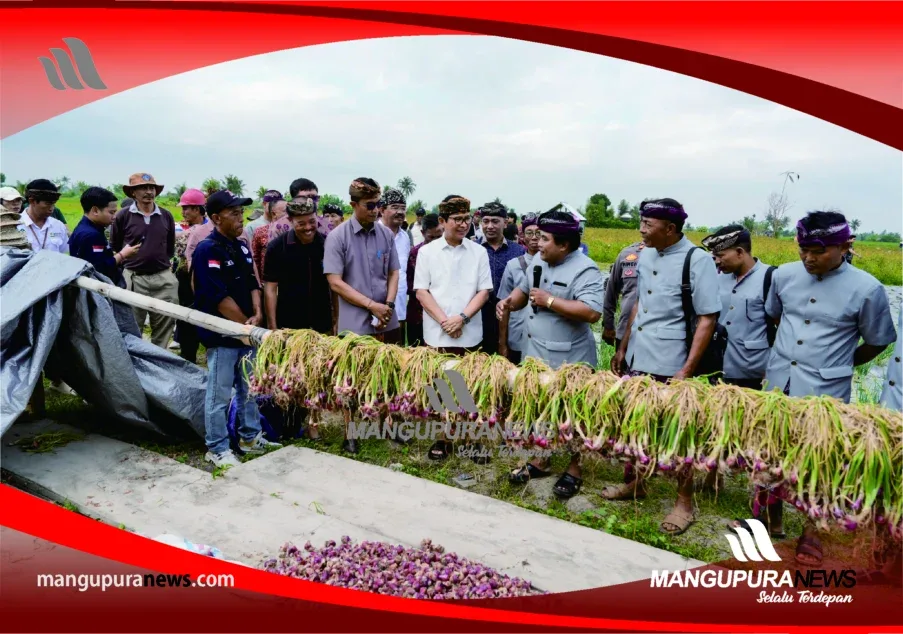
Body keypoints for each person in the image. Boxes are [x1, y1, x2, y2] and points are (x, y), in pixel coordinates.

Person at [763, 210, 895, 566]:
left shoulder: (867, 288)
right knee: (770, 450)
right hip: (778, 381)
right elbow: (775, 315)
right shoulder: (783, 275)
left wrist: (841, 362)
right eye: (803, 249)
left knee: (819, 460)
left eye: (818, 251)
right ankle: (769, 519)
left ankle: (812, 532)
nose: (809, 258)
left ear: (845, 246)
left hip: (826, 390)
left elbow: (878, 340)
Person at [609, 198, 721, 537]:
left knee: (678, 430)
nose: (641, 229)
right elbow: (639, 303)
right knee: (635, 421)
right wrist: (624, 346)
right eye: (641, 222)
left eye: (648, 224)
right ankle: (637, 482)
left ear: (670, 229)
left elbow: (707, 318)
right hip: (639, 355)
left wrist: (686, 370)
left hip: (672, 359)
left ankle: (684, 502)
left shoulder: (696, 260)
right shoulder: (645, 255)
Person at [496, 210, 605, 497]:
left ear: (564, 245)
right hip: (535, 353)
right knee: (539, 408)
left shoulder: (586, 269)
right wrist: (508, 303)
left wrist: (551, 300)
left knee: (573, 414)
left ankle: (574, 468)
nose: (537, 243)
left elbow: (592, 312)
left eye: (544, 239)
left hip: (570, 360)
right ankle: (541, 459)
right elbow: (523, 292)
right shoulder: (539, 260)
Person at [191, 190, 281, 468]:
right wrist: (244, 324)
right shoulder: (207, 250)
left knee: (249, 388)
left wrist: (257, 313)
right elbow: (217, 297)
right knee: (219, 394)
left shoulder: (241, 246)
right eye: (234, 213)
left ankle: (250, 438)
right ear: (216, 218)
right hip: (223, 336)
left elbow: (253, 283)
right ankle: (217, 447)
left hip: (247, 333)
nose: (240, 218)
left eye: (241, 212)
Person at [414, 195, 493, 462]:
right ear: (442, 221)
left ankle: (472, 438)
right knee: (440, 385)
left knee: (470, 385)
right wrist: (445, 322)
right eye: (457, 219)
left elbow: (484, 291)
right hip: (437, 333)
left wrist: (461, 318)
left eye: (466, 219)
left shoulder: (478, 252)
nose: (463, 224)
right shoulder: (427, 252)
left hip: (469, 332)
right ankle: (444, 437)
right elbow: (421, 292)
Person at [324, 177, 400, 454]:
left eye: (378, 204)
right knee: (351, 377)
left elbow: (393, 272)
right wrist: (371, 305)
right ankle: (350, 433)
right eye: (369, 205)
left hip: (384, 316)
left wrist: (387, 305)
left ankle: (387, 424)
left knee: (386, 373)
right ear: (353, 204)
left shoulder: (385, 235)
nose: (376, 210)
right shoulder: (338, 237)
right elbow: (335, 282)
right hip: (354, 320)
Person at [263, 198, 335, 441]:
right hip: (290, 321)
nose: (308, 227)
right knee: (292, 373)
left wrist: (335, 320)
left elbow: (334, 286)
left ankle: (314, 423)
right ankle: (289, 422)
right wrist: (273, 327)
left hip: (320, 320)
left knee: (317, 373)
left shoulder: (326, 244)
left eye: (311, 222)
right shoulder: (278, 247)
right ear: (291, 221)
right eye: (301, 223)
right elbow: (270, 288)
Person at [701, 225, 774, 389]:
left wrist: (773, 370)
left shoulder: (770, 277)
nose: (717, 261)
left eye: (720, 256)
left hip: (755, 371)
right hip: (718, 369)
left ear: (740, 252)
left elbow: (781, 326)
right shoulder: (717, 278)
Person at [110, 173, 178, 349]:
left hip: (163, 277)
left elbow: (169, 248)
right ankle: (136, 362)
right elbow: (115, 244)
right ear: (133, 192)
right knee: (132, 326)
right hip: (134, 278)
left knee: (164, 324)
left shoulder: (165, 215)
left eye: (151, 188)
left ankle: (158, 360)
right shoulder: (123, 216)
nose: (149, 192)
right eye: (143, 188)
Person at [476, 201, 526, 356]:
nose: (489, 226)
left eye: (495, 221)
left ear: (505, 223)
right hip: (478, 316)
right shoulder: (473, 249)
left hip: (510, 316)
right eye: (485, 221)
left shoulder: (519, 251)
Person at [69, 186, 139, 287]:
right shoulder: (91, 235)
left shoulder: (86, 227)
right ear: (95, 210)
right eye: (111, 212)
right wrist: (123, 254)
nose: (114, 217)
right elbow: (99, 268)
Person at [497, 213, 541, 364]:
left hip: (542, 337)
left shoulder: (554, 265)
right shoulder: (513, 265)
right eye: (529, 233)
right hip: (517, 332)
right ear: (522, 236)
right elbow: (504, 305)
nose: (534, 237)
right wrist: (502, 342)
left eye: (538, 233)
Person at [171, 188, 208, 363]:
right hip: (185, 281)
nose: (183, 212)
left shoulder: (209, 230)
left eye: (186, 208)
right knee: (186, 319)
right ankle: (188, 357)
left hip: (205, 280)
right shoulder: (184, 231)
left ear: (197, 209)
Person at [378, 189, 412, 344]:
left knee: (397, 348)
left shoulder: (405, 237)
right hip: (376, 307)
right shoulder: (371, 233)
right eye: (395, 207)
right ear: (382, 209)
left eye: (403, 208)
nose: (400, 212)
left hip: (400, 305)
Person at [406, 213, 443, 347]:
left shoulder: (448, 252)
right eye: (431, 237)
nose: (435, 241)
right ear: (423, 233)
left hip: (442, 312)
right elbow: (411, 285)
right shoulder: (415, 253)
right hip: (418, 313)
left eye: (439, 237)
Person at [602, 240, 645, 350]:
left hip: (659, 337)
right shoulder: (627, 254)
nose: (643, 231)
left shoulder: (680, 257)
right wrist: (608, 325)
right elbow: (611, 292)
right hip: (625, 332)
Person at [21, 179, 68, 254]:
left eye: (54, 204)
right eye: (48, 204)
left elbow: (62, 253)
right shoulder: (15, 226)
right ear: (32, 201)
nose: (52, 208)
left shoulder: (58, 226)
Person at [250, 199, 289, 280]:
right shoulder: (260, 232)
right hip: (267, 280)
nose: (290, 214)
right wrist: (258, 282)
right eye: (286, 211)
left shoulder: (295, 231)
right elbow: (255, 259)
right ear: (274, 214)